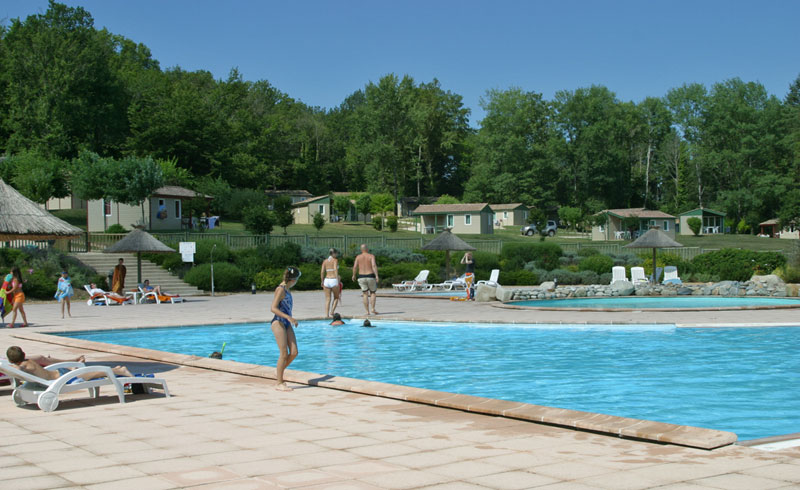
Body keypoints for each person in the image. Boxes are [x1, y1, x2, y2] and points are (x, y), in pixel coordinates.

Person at [6, 346, 132, 381]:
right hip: (59, 375)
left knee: (93, 374)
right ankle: (116, 369)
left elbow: (19, 368)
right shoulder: (26, 362)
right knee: (91, 373)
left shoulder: (24, 365)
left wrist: (9, 366)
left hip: (62, 377)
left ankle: (119, 370)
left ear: (11, 360)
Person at [270, 266, 301, 392]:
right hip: (278, 322)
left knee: (294, 352)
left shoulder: (287, 289)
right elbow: (273, 308)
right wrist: (288, 317)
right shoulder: (280, 289)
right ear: (293, 280)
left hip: (287, 323)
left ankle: (279, 371)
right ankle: (279, 382)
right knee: (283, 353)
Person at [352, 244, 379, 316]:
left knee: (365, 294)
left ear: (361, 249)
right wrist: (376, 275)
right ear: (367, 249)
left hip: (361, 276)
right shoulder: (371, 256)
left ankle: (367, 311)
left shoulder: (358, 257)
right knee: (372, 292)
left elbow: (355, 267)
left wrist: (354, 275)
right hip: (370, 275)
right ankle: (373, 308)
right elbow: (373, 265)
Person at [320, 248, 341, 318]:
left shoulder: (325, 261)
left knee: (327, 299)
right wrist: (337, 279)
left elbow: (322, 272)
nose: (337, 255)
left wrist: (322, 281)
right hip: (333, 279)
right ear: (333, 253)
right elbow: (335, 269)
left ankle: (326, 315)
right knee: (336, 297)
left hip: (326, 280)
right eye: (336, 253)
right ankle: (332, 311)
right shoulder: (335, 260)